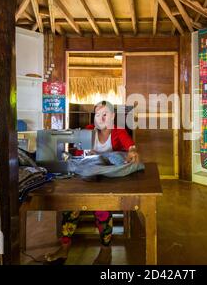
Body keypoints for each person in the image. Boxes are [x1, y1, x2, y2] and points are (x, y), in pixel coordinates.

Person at [45, 101, 140, 265]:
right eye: (97, 114)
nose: (101, 118)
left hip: (107, 182)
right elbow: (78, 154)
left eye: (105, 114)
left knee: (102, 209)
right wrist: (84, 152)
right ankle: (65, 248)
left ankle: (105, 250)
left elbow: (129, 145)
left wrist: (132, 151)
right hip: (87, 179)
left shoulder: (118, 131)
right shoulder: (89, 130)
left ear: (112, 116)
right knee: (71, 206)